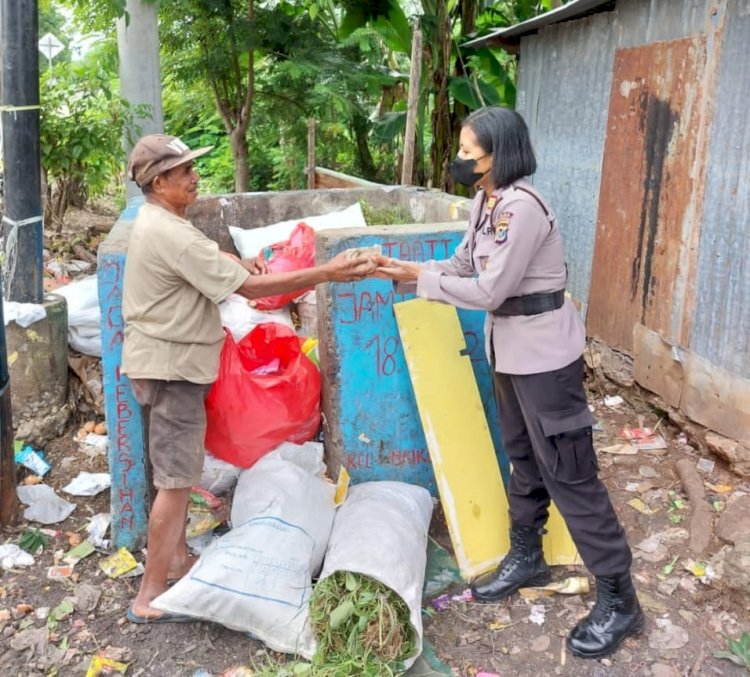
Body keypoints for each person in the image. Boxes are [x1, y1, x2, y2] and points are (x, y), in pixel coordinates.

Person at [377, 107, 643, 659]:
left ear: (500, 153)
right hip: (511, 351)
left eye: (470, 153)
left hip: (545, 356)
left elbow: (491, 290)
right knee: (523, 459)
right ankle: (528, 555)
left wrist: (423, 282)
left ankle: (620, 598)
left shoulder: (522, 208)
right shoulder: (486, 201)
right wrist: (401, 268)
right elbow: (461, 263)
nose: (461, 160)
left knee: (570, 473)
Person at [121, 133, 376, 624]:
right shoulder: (169, 232)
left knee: (182, 473)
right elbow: (251, 288)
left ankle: (175, 562)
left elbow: (214, 264)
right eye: (184, 172)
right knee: (175, 483)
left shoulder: (164, 223)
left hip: (172, 364)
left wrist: (240, 260)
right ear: (159, 182)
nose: (195, 178)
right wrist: (326, 274)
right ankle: (148, 597)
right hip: (171, 370)